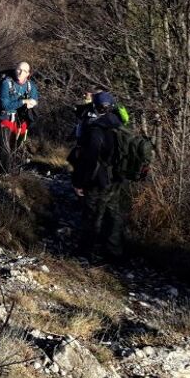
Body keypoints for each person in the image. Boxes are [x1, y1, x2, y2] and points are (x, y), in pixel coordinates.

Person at [70, 91, 130, 259]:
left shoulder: (96, 130)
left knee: (91, 213)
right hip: (118, 177)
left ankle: (85, 251)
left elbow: (90, 160)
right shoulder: (119, 124)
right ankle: (114, 251)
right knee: (113, 214)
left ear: (96, 106)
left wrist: (80, 182)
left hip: (100, 178)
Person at [0, 61, 39, 173]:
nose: (21, 72)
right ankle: (3, 174)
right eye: (19, 69)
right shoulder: (6, 83)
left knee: (17, 146)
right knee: (5, 147)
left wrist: (32, 103)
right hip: (6, 117)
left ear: (28, 74)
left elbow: (35, 99)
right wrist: (24, 101)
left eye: (24, 71)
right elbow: (5, 105)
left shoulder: (31, 86)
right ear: (15, 69)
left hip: (21, 119)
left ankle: (14, 171)